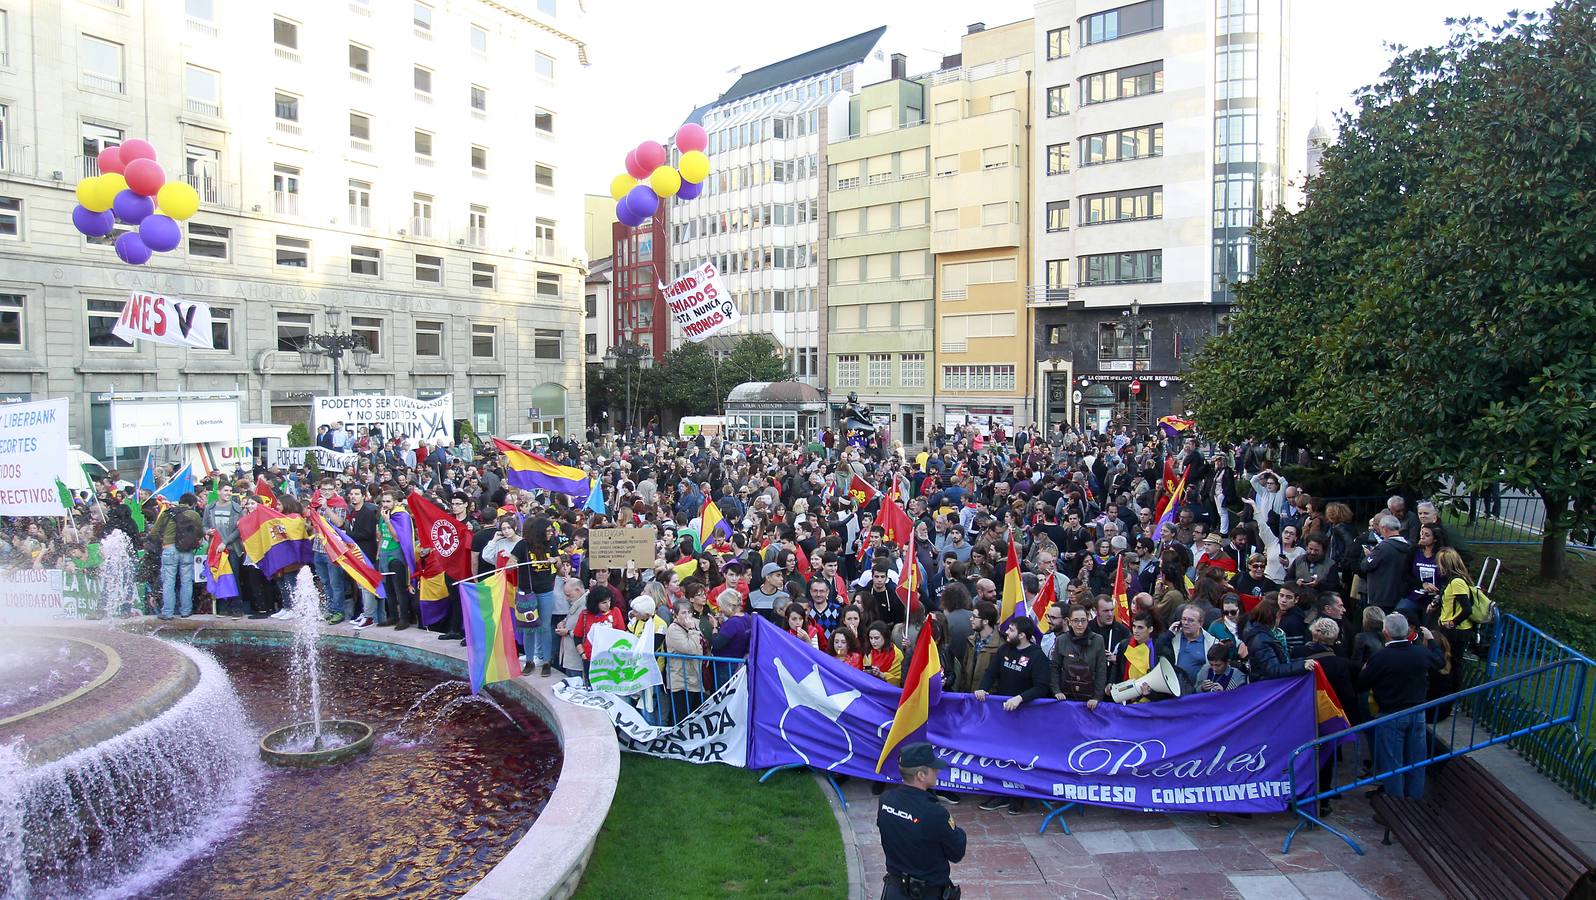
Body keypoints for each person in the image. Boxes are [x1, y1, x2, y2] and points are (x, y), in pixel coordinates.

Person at [1359, 612, 1445, 799]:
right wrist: (1431, 641)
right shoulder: (1421, 653)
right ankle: (1413, 801)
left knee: (1392, 763)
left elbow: (1362, 682)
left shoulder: (1381, 657)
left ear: (1386, 632)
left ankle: (1395, 804)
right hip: (1417, 713)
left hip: (1390, 714)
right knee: (1416, 761)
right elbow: (1439, 661)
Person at [975, 617, 1050, 815]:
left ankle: (1019, 797)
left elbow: (1042, 687)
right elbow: (991, 673)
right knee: (1000, 755)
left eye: (1011, 630)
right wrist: (982, 688)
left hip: (1027, 717)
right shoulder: (1004, 650)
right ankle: (999, 793)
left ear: (1022, 635)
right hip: (1002, 716)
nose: (1006, 632)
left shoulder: (1037, 656)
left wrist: (1020, 698)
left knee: (1020, 758)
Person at [877, 742, 966, 900]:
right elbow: (957, 852)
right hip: (928, 893)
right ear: (921, 775)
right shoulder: (934, 813)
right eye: (933, 768)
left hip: (895, 891)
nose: (937, 771)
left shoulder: (885, 801)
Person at [152, 492, 203, 620]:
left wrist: (163, 540)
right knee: (186, 581)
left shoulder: (167, 513)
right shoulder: (194, 514)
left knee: (169, 581)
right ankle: (186, 610)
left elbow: (154, 533)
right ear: (192, 504)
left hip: (169, 548)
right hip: (186, 549)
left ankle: (168, 612)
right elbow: (200, 533)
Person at [1050, 603, 1106, 709]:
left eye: (1083, 620)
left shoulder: (1098, 640)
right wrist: (1056, 691)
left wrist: (1097, 697)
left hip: (1090, 698)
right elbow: (1055, 667)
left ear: (1088, 620)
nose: (1080, 624)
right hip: (1066, 696)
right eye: (1076, 621)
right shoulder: (1061, 640)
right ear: (1069, 622)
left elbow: (1101, 670)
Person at [663, 598, 707, 723]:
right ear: (675, 614)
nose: (687, 616)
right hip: (681, 680)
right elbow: (691, 649)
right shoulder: (673, 630)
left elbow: (703, 645)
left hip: (696, 678)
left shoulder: (695, 624)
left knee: (695, 717)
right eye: (683, 613)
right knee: (681, 718)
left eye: (689, 612)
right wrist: (692, 630)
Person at [1358, 514, 1412, 613]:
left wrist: (1369, 556)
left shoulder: (1383, 548)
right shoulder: (1409, 546)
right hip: (1401, 596)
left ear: (1384, 528)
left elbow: (1365, 566)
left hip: (1381, 597)